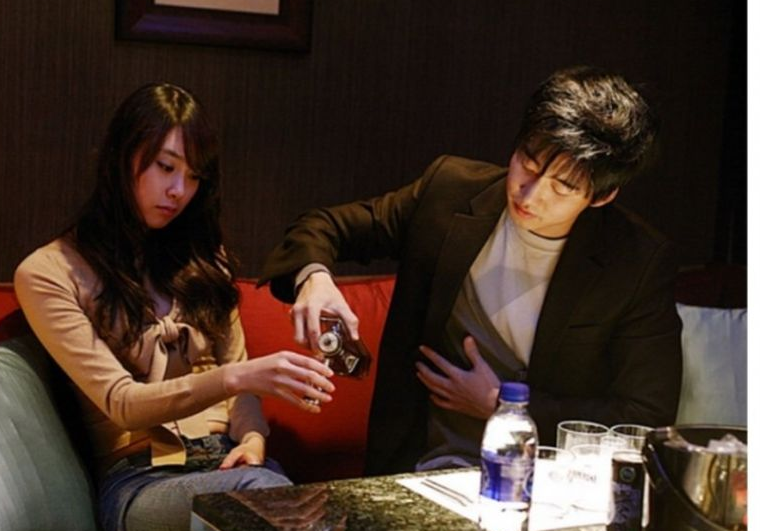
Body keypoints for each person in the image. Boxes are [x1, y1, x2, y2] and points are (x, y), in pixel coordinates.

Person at [259, 66, 682, 475]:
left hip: (557, 474)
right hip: (429, 462)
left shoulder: (635, 261)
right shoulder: (450, 193)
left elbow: (645, 415)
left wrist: (504, 404)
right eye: (529, 163)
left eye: (562, 186)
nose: (530, 195)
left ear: (602, 197)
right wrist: (313, 278)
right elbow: (324, 226)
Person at [14, 83, 336, 531]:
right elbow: (122, 402)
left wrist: (253, 438)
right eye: (166, 167)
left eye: (194, 176)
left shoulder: (203, 260)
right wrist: (238, 377)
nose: (179, 191)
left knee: (307, 506)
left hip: (233, 463)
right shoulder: (48, 272)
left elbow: (235, 366)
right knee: (264, 498)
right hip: (140, 479)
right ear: (122, 156)